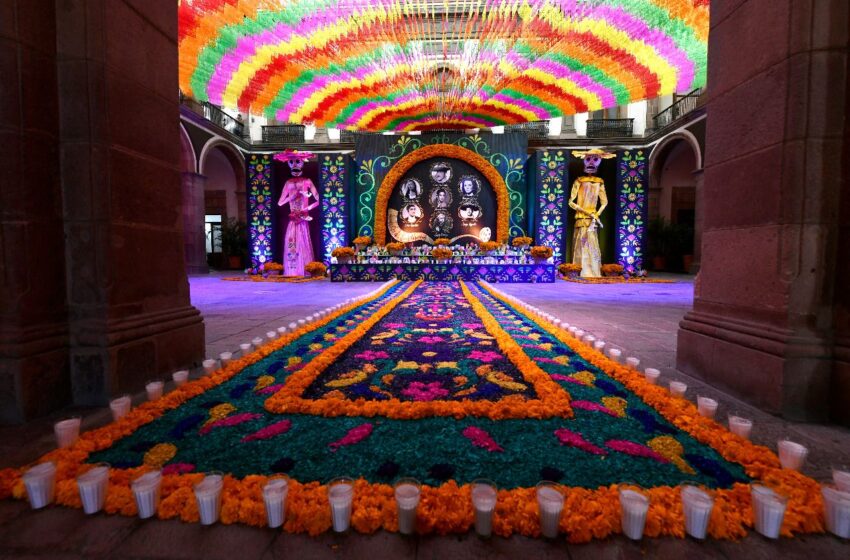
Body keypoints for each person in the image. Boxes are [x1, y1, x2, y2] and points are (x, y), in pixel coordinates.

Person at [569, 148, 614, 277]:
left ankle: (593, 271)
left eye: (595, 159)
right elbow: (571, 202)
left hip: (592, 219)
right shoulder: (579, 180)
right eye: (588, 159)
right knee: (580, 245)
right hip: (582, 217)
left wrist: (596, 214)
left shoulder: (600, 182)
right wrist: (587, 212)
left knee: (592, 245)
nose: (591, 163)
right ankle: (579, 270)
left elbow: (604, 202)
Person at [275, 149, 318, 276]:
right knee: (292, 243)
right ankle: (292, 270)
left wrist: (307, 208)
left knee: (303, 243)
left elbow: (318, 199)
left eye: (297, 161)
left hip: (303, 219)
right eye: (291, 162)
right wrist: (291, 198)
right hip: (293, 219)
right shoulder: (288, 183)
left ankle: (305, 269)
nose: (294, 164)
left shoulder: (307, 181)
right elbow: (280, 203)